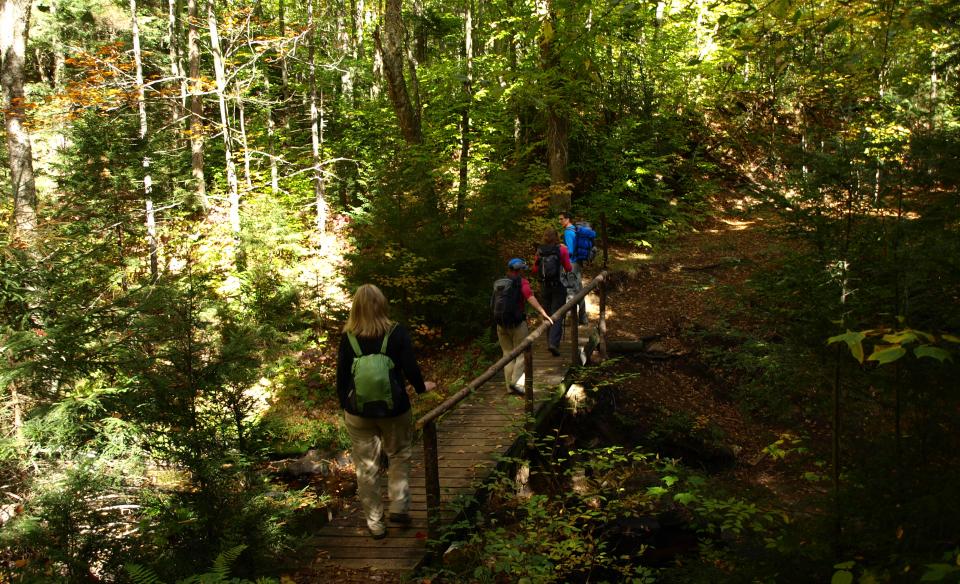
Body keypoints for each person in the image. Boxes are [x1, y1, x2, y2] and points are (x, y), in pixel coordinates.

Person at [336, 284, 435, 539]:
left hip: (358, 413)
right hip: (395, 410)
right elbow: (411, 367)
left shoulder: (348, 338)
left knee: (366, 467)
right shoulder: (396, 332)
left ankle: (375, 523)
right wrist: (422, 389)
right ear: (382, 304)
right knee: (399, 454)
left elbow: (342, 378)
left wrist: (345, 406)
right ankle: (400, 506)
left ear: (355, 307)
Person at [495, 258, 553, 395]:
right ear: (520, 270)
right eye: (523, 270)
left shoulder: (500, 283)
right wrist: (543, 313)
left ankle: (509, 388)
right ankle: (515, 383)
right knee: (521, 353)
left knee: (507, 354)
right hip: (517, 323)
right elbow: (530, 298)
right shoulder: (522, 283)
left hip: (501, 324)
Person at [533, 228, 573, 356]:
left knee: (548, 313)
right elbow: (568, 267)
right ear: (557, 237)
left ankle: (549, 341)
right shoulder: (562, 249)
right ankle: (553, 343)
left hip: (544, 286)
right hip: (558, 285)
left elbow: (534, 270)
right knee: (558, 313)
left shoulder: (539, 250)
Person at [560, 211, 589, 325]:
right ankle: (583, 317)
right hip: (577, 263)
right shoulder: (575, 230)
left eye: (561, 219)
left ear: (568, 219)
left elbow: (570, 251)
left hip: (571, 264)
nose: (560, 221)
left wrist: (562, 246)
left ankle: (568, 319)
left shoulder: (568, 232)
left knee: (570, 290)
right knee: (579, 290)